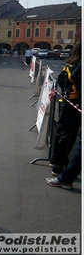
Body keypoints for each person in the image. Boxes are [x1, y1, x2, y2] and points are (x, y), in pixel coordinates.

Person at [49, 40, 81, 176]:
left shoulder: (70, 65)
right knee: (67, 138)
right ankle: (58, 167)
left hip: (67, 102)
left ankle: (56, 161)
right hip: (75, 105)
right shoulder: (80, 68)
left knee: (61, 134)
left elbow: (61, 80)